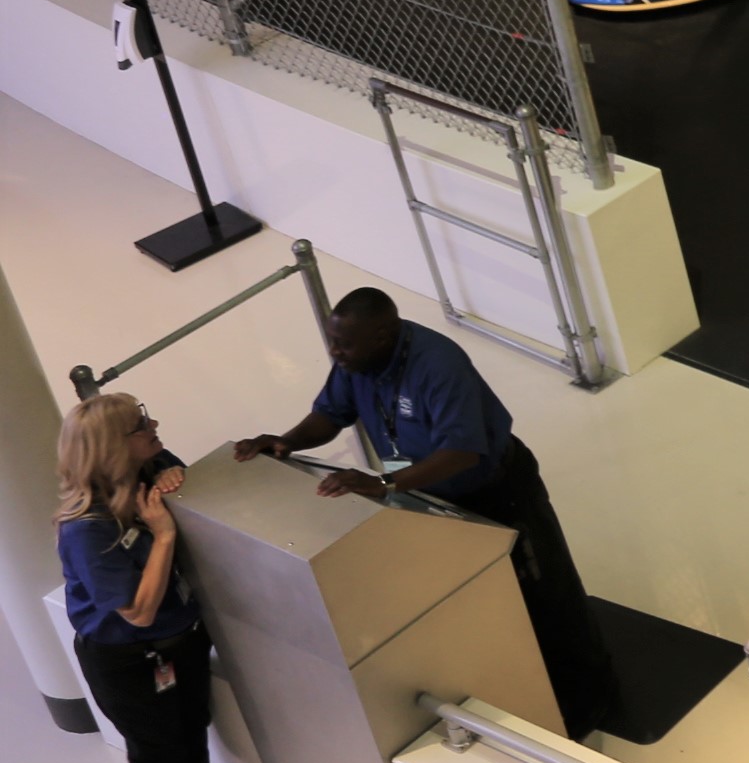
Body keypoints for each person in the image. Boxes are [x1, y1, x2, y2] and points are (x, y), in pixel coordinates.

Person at [237, 289, 618, 737]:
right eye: (332, 341)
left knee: (544, 593)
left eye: (344, 344)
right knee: (488, 598)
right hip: (430, 497)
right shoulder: (356, 363)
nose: (334, 353)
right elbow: (330, 413)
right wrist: (286, 442)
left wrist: (385, 484)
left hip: (496, 493)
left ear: (382, 336)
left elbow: (462, 453)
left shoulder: (439, 366)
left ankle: (591, 700)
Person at [55, 393, 276, 763]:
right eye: (140, 426)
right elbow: (138, 611)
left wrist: (174, 474)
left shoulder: (148, 467)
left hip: (182, 639)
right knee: (160, 751)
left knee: (191, 731)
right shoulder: (87, 527)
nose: (153, 424)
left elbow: (185, 481)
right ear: (113, 447)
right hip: (131, 657)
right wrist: (164, 534)